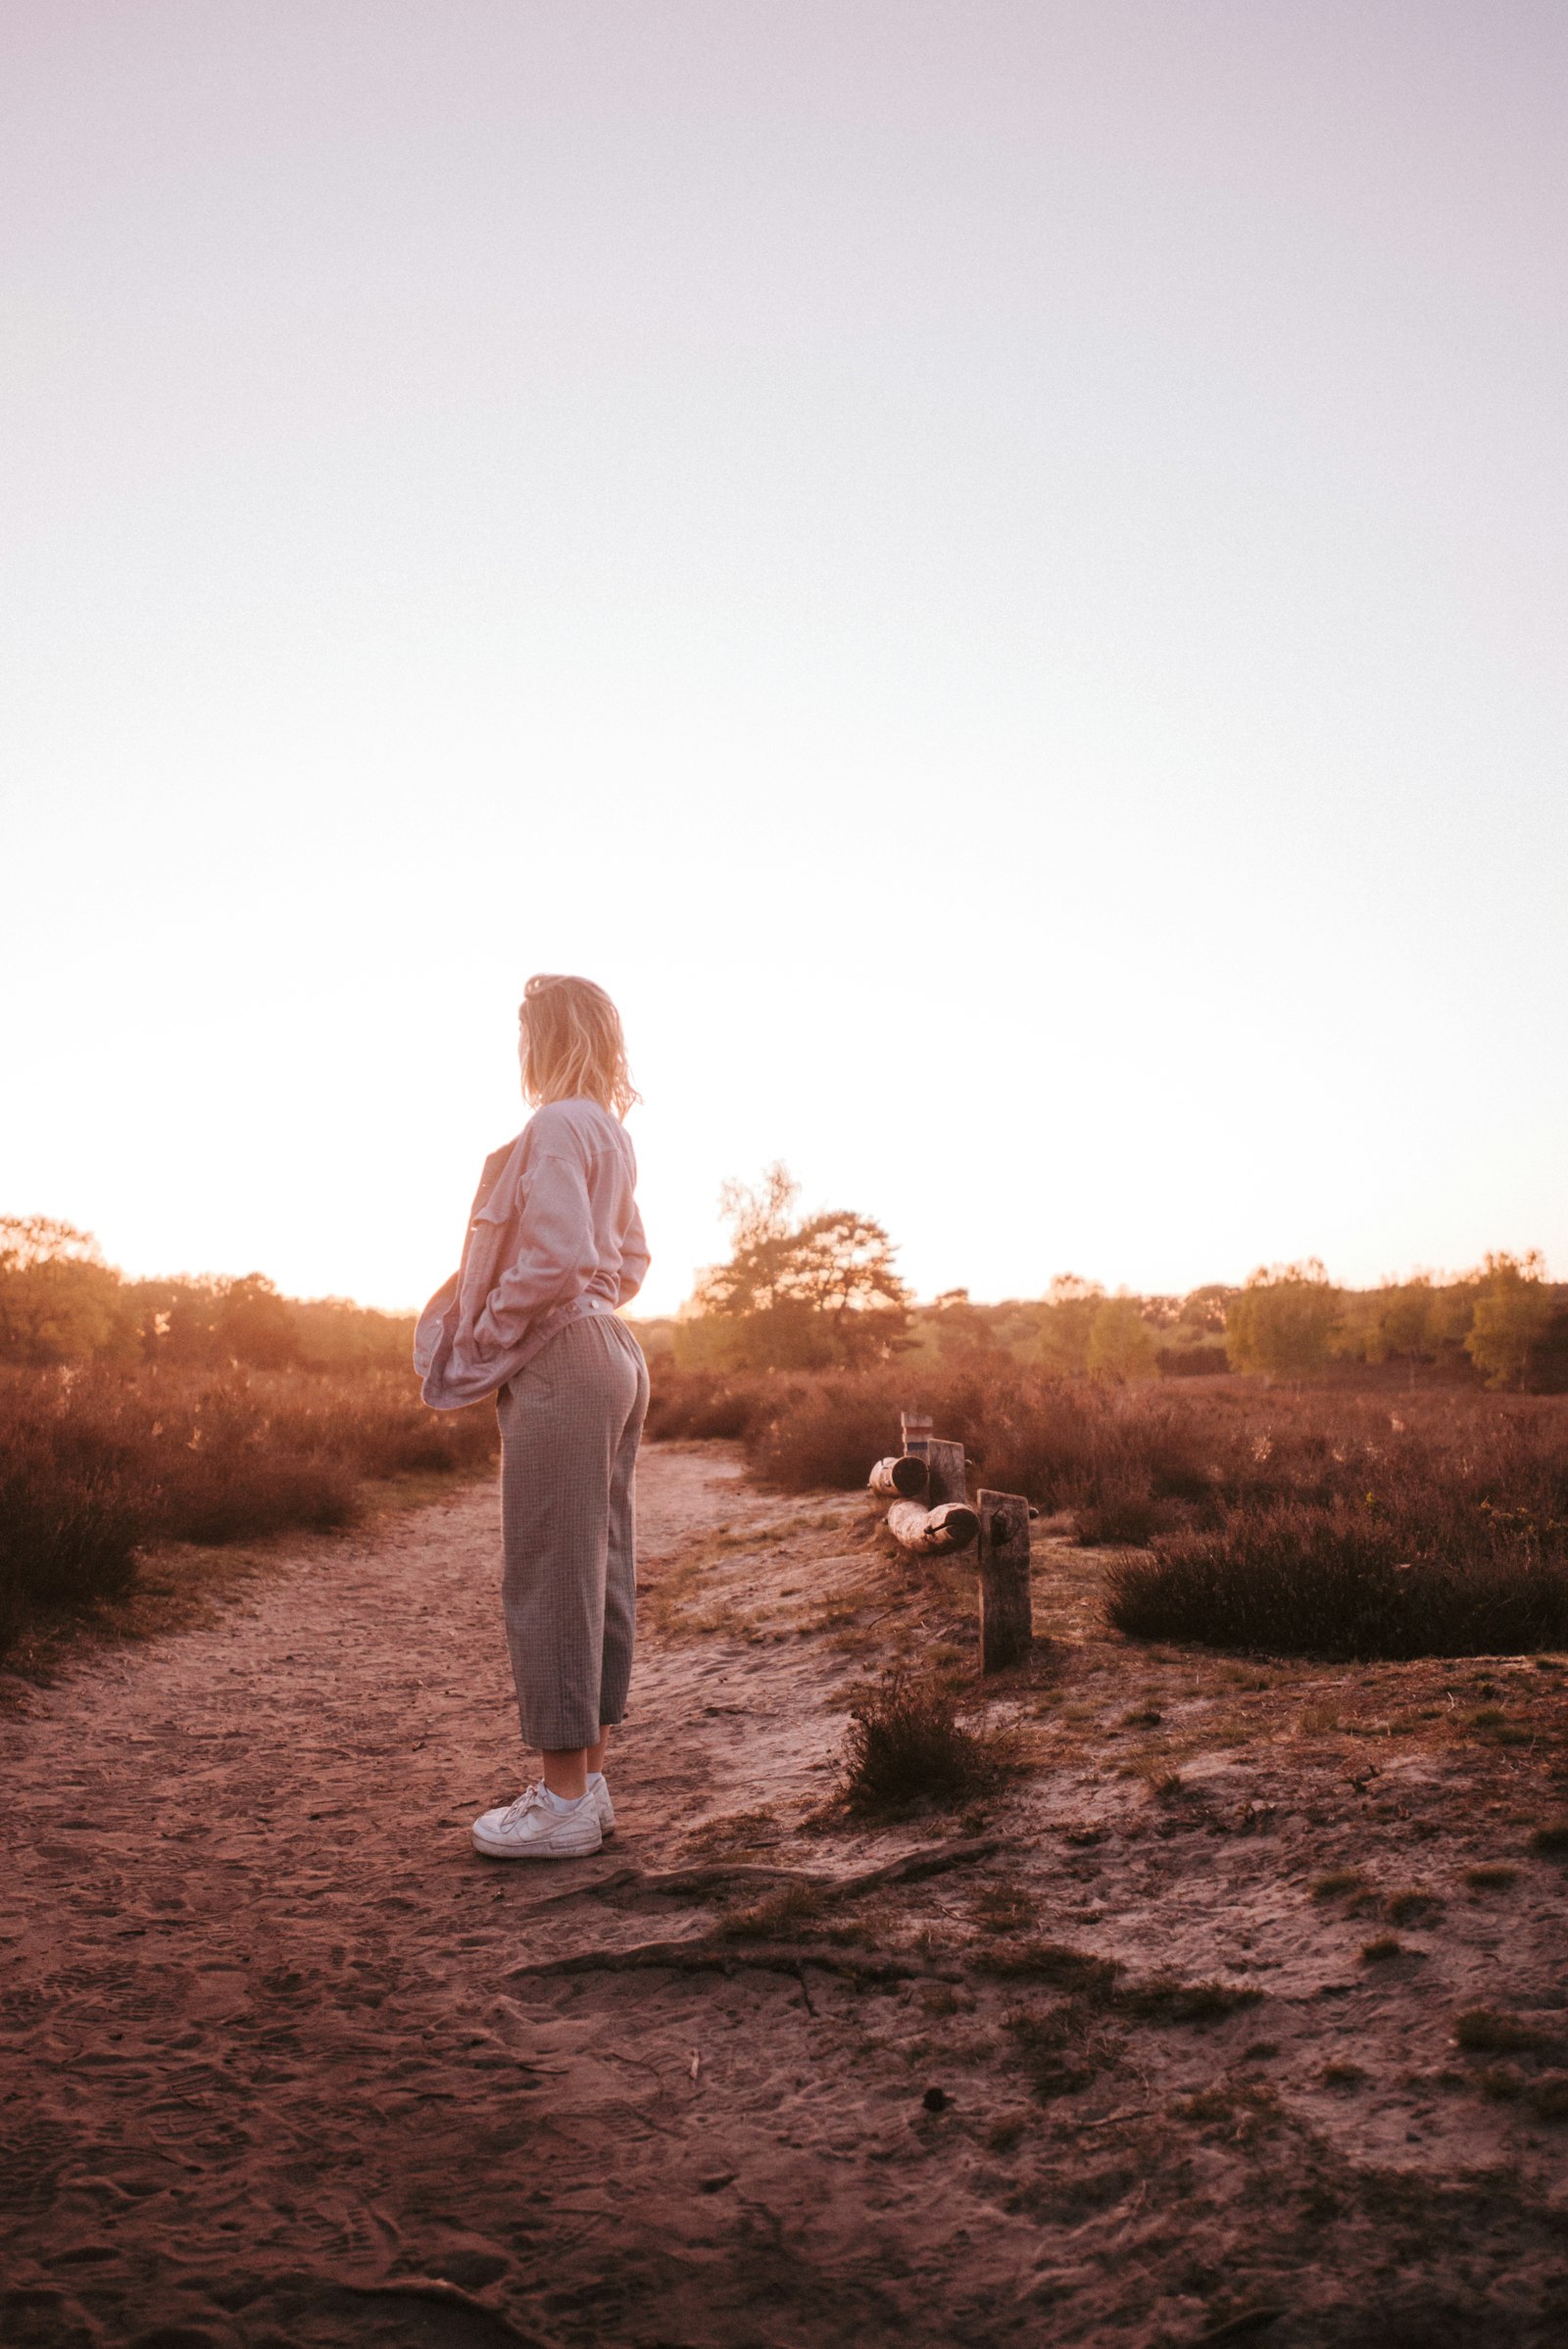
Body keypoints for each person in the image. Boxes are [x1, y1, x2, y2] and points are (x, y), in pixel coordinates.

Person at [415, 974, 650, 1860]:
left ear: (542, 1042)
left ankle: (559, 1804)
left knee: (551, 1567)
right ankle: (584, 1783)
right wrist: (584, 1302)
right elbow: (628, 1258)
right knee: (598, 1563)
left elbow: (555, 1258)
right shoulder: (608, 1132)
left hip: (564, 1353)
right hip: (614, 1349)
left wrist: (494, 1328)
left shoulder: (554, 1126)